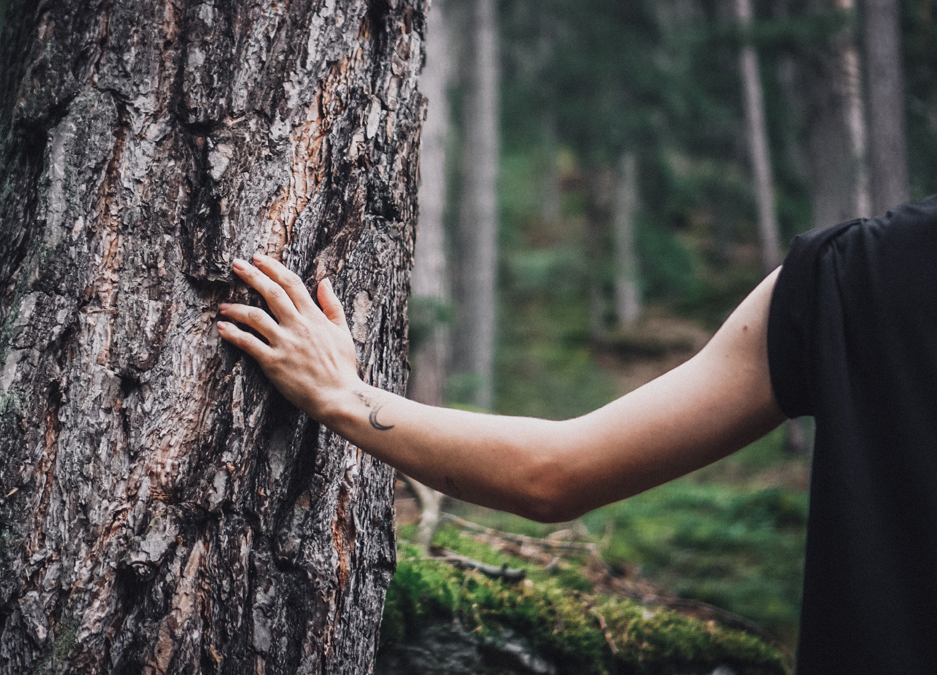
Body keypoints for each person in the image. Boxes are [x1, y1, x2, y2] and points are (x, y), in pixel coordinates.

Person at [216, 195, 937, 674]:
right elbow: (553, 471)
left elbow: (558, 471)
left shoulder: (865, 275)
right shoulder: (858, 275)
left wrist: (346, 397)